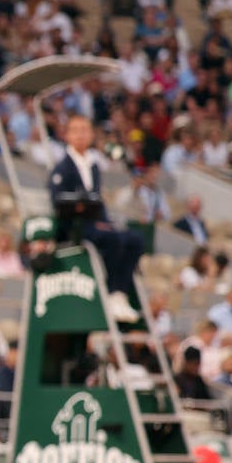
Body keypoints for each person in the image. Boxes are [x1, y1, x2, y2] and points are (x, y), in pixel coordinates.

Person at [47, 114, 142, 322]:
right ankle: (107, 290)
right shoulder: (62, 168)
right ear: (68, 135)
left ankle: (119, 292)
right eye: (76, 130)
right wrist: (83, 208)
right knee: (112, 239)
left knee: (135, 239)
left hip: (97, 224)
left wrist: (103, 219)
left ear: (91, 134)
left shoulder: (94, 166)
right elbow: (59, 202)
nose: (81, 134)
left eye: (84, 129)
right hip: (75, 228)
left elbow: (98, 202)